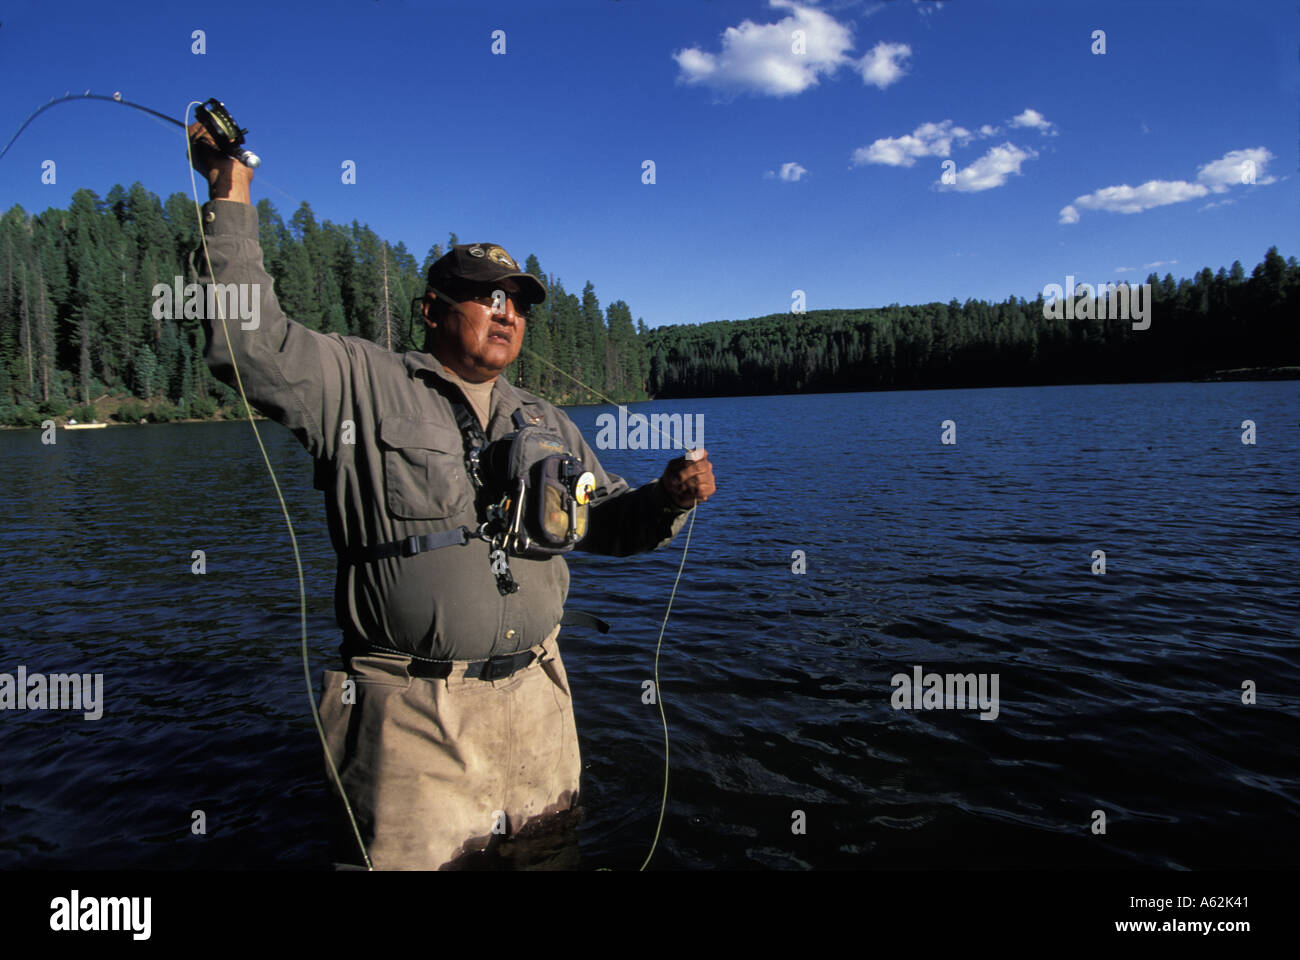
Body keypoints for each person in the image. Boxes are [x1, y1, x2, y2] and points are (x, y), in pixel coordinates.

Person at [186, 123, 717, 869]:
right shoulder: (357, 384)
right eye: (485, 296)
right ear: (433, 310)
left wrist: (668, 497)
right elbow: (248, 343)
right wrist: (229, 195)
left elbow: (607, 524)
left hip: (538, 707)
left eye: (519, 303)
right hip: (411, 723)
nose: (506, 311)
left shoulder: (548, 423)